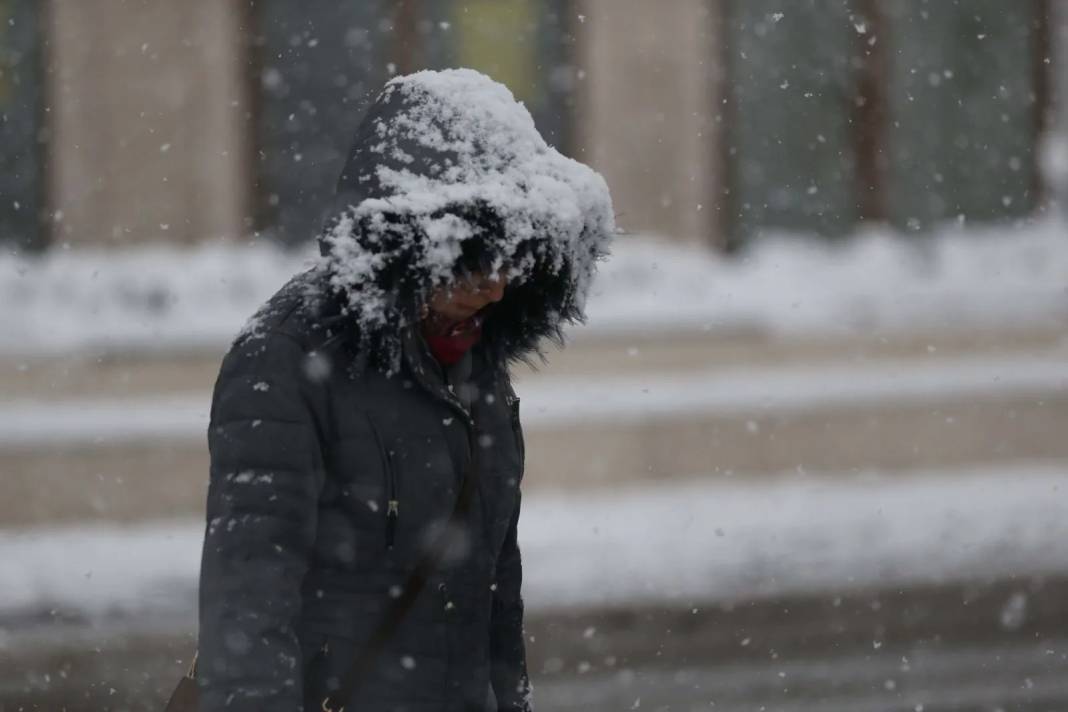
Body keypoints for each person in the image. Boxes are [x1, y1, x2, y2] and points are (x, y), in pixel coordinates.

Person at [196, 68, 614, 712]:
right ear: (407, 247)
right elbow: (249, 596)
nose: (497, 286)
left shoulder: (477, 365)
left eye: (514, 257)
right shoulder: (281, 360)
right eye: (474, 256)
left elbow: (497, 589)